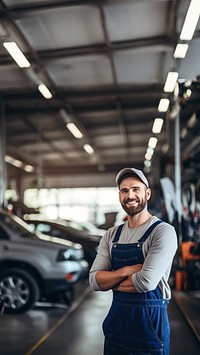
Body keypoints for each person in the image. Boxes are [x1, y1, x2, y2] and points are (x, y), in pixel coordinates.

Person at [89, 167, 178, 355]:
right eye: (124, 190)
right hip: (115, 327)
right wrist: (125, 271)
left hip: (149, 329)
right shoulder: (111, 235)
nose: (130, 195)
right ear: (119, 196)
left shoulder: (162, 232)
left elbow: (145, 282)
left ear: (147, 193)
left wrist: (110, 281)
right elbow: (94, 281)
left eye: (135, 189)